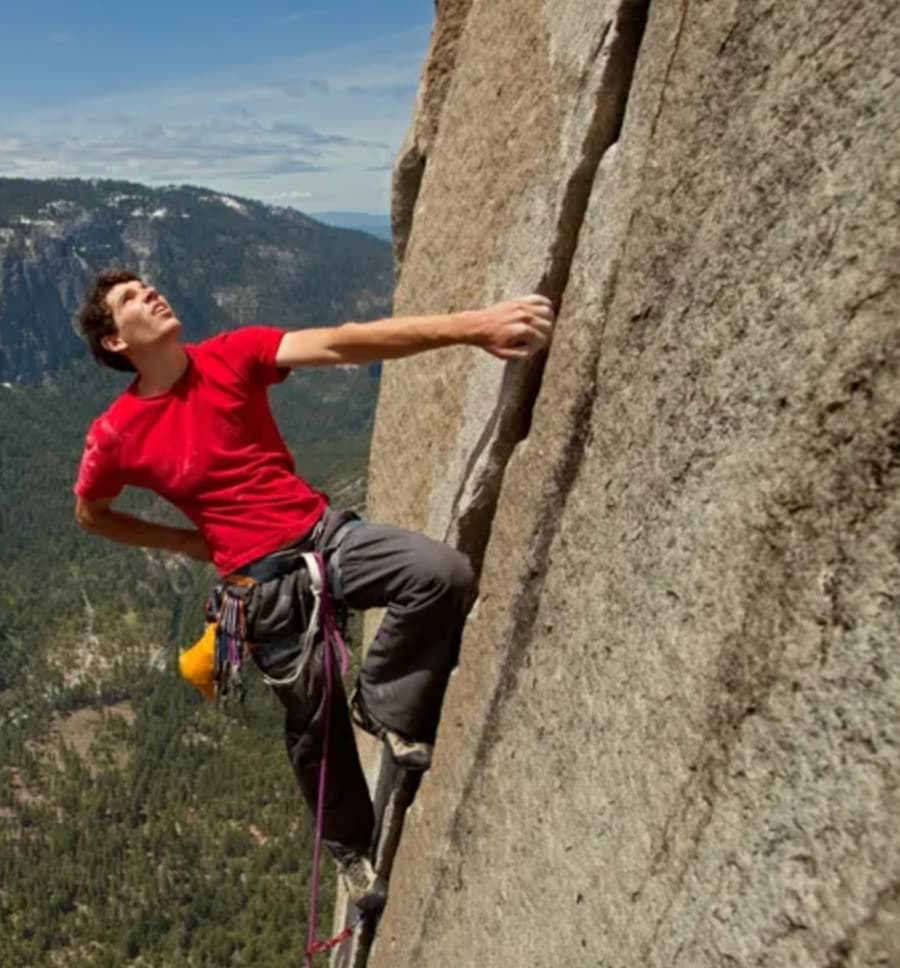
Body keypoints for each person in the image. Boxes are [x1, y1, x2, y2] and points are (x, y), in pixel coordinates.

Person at [70, 269, 554, 910]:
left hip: (323, 535)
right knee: (313, 725)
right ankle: (352, 848)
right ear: (112, 341)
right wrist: (188, 543)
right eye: (129, 297)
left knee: (440, 574)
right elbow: (91, 513)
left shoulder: (232, 355)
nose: (150, 292)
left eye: (147, 283)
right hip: (261, 587)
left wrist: (474, 327)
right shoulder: (118, 433)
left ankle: (382, 706)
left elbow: (345, 342)